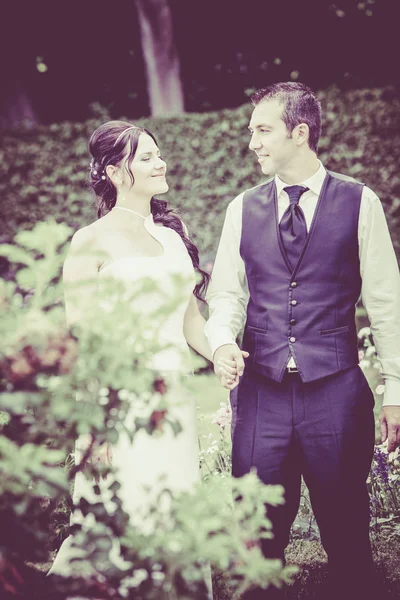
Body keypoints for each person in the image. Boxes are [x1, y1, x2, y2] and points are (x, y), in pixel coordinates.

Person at [205, 82, 400, 599]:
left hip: (336, 391)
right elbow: (226, 294)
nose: (252, 143)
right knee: (258, 535)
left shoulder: (361, 203)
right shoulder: (239, 210)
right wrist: (223, 340)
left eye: (262, 130)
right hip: (259, 393)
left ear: (300, 131)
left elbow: (387, 303)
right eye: (252, 132)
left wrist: (397, 392)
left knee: (347, 532)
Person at [47, 121, 235, 595]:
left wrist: (219, 350)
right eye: (146, 157)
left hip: (171, 401)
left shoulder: (173, 238)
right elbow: (84, 339)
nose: (160, 162)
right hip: (118, 403)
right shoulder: (88, 241)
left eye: (158, 153)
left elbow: (191, 319)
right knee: (115, 522)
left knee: (172, 515)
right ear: (114, 170)